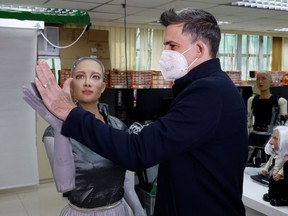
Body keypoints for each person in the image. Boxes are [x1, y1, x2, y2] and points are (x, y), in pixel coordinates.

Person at [30, 8, 248, 216]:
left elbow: (137, 152)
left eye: (172, 46)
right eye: (164, 46)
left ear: (199, 49)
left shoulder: (209, 91)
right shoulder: (203, 88)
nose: (165, 54)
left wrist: (69, 113)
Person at [23, 57, 146, 216]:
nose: (87, 82)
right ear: (71, 85)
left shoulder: (117, 126)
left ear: (102, 87)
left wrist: (137, 208)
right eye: (80, 76)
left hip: (118, 211)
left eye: (95, 77)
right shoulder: (53, 133)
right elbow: (64, 185)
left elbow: (124, 177)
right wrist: (61, 129)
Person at [247, 71, 287, 165]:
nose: (260, 82)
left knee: (271, 165)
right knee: (251, 164)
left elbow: (284, 126)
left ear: (271, 81)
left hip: (271, 138)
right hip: (254, 138)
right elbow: (248, 121)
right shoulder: (252, 100)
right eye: (258, 79)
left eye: (264, 78)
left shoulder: (280, 101)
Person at [261, 126, 288, 206]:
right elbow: (270, 162)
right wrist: (265, 169)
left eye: (275, 138)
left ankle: (283, 199)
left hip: (281, 177)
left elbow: (285, 168)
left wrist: (280, 174)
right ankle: (271, 195)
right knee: (272, 184)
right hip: (273, 174)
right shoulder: (275, 154)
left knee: (281, 187)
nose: (270, 142)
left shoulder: (286, 157)